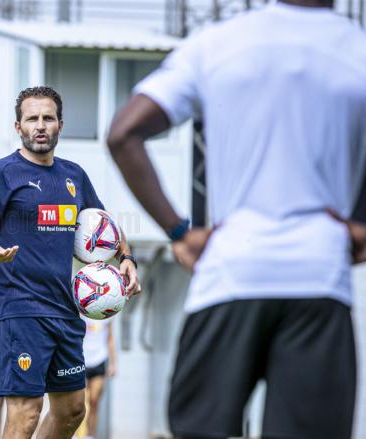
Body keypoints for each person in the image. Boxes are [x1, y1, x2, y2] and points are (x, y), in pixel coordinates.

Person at [106, 2, 366, 438]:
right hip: (318, 274)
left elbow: (122, 133)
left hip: (229, 272)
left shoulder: (216, 44)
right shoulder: (357, 50)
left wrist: (179, 232)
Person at [0, 85, 140, 439]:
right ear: (18, 127)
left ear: (60, 124)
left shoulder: (73, 176)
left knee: (73, 410)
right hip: (20, 311)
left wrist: (128, 258)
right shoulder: (0, 176)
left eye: (48, 118)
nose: (40, 125)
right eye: (32, 119)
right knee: (26, 414)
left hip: (65, 311)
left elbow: (105, 226)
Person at [78, 315, 116, 439]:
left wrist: (113, 363)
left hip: (99, 359)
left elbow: (110, 338)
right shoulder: (80, 310)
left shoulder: (106, 313)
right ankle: (75, 434)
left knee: (94, 401)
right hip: (81, 359)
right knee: (77, 403)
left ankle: (90, 435)